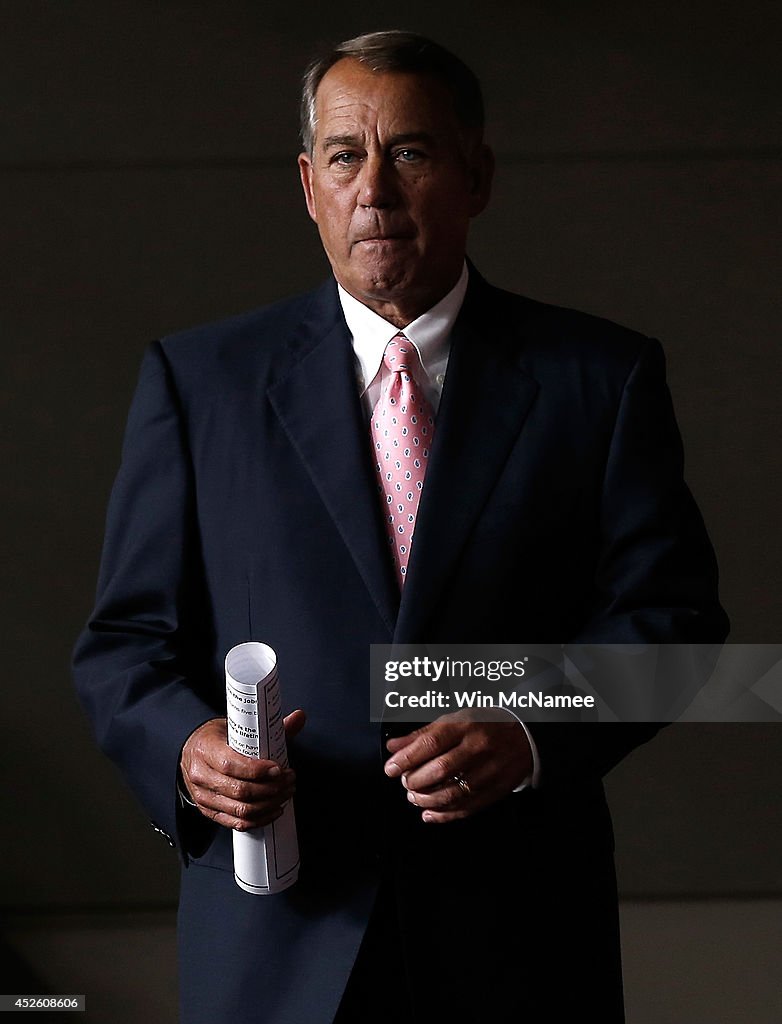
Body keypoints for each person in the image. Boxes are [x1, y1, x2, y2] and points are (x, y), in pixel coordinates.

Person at [73, 30, 729, 1024]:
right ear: (308, 184)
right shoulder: (200, 382)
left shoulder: (600, 378)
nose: (373, 187)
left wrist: (526, 719)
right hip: (277, 940)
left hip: (518, 937)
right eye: (345, 155)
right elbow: (120, 649)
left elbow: (684, 639)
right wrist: (184, 748)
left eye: (410, 152)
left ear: (476, 175)